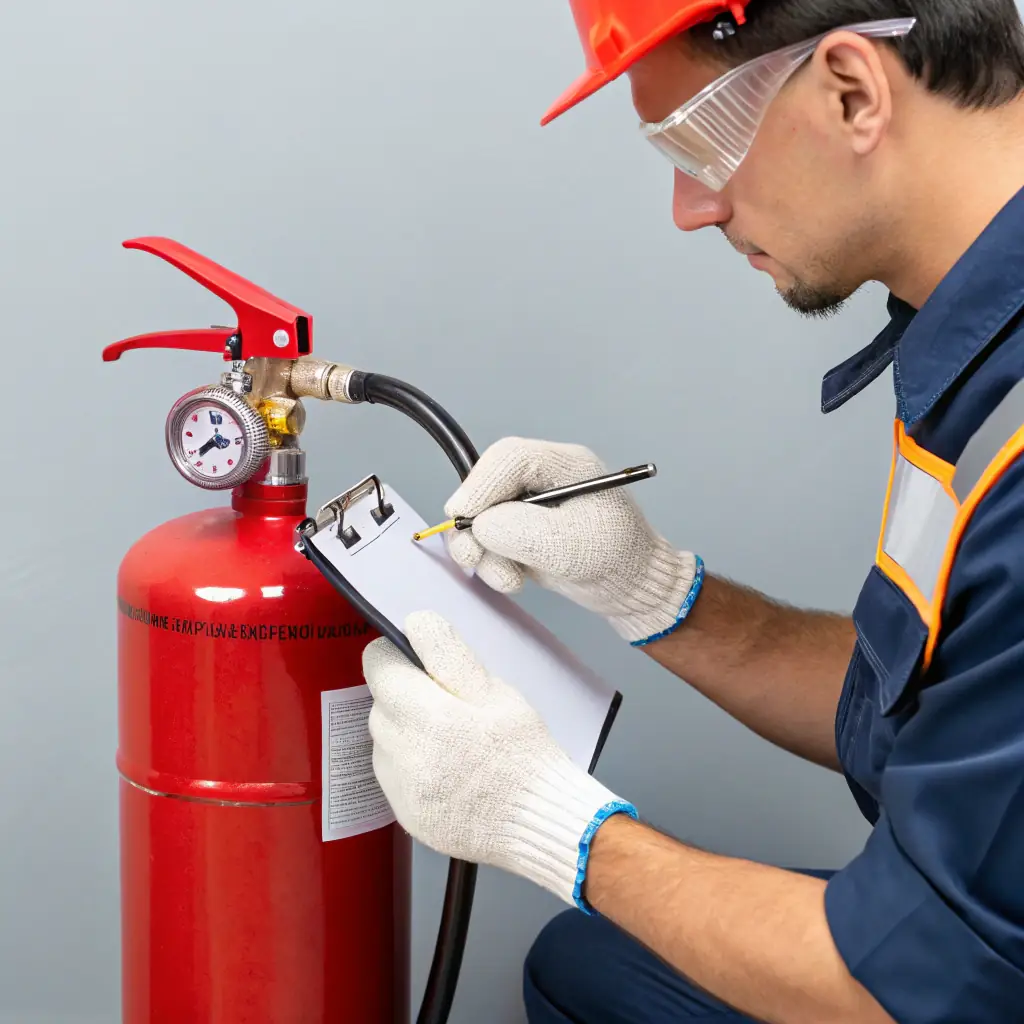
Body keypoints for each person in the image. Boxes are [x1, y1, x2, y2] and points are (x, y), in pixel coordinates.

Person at [361, 1, 1024, 1020]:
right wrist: (653, 588)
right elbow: (927, 699)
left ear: (852, 90)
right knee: (589, 970)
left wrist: (551, 822)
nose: (688, 206)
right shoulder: (974, 333)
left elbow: (920, 984)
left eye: (697, 141)